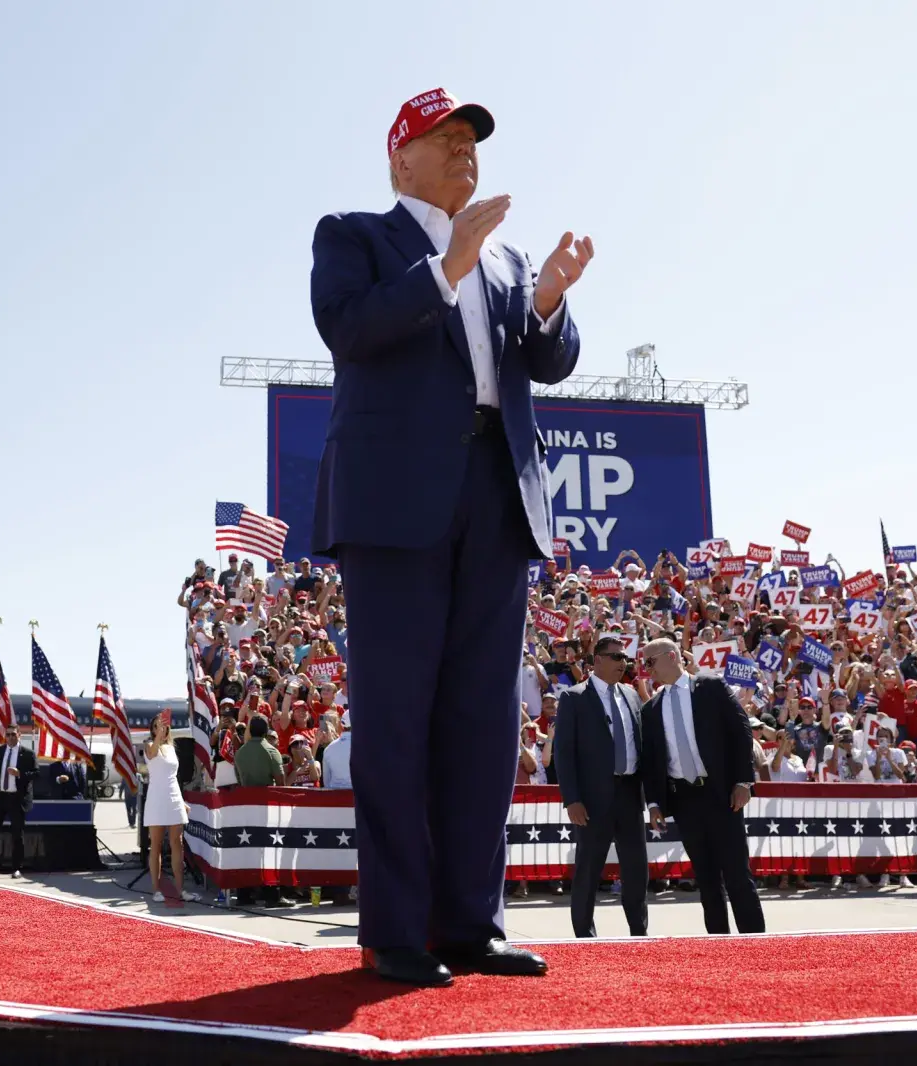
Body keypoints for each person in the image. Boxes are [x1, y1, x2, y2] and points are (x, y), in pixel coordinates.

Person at [309, 86, 590, 987]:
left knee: (482, 722)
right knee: (395, 720)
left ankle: (472, 923)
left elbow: (543, 361)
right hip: (395, 503)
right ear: (402, 161)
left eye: (473, 138)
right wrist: (443, 269)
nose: (467, 148)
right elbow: (347, 329)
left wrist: (546, 298)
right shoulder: (354, 235)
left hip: (497, 495)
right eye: (447, 137)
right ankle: (395, 930)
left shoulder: (506, 261)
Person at [637, 638, 765, 935]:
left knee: (736, 873)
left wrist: (744, 781)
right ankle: (718, 943)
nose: (647, 670)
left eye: (650, 662)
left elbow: (741, 733)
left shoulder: (710, 687)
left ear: (671, 657)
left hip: (722, 794)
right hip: (684, 799)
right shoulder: (652, 708)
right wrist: (654, 802)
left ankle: (757, 944)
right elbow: (653, 760)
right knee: (706, 879)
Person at [554, 638, 648, 938]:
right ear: (596, 660)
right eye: (616, 656)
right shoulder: (574, 697)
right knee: (589, 868)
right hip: (592, 800)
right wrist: (572, 799)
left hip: (630, 794)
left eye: (626, 657)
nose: (623, 662)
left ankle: (639, 930)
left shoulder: (632, 695)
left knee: (636, 868)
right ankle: (584, 933)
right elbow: (564, 753)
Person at [142, 713, 199, 903]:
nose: (162, 729)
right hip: (156, 798)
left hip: (173, 797)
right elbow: (151, 755)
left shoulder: (172, 748)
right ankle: (156, 889)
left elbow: (172, 777)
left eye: (164, 726)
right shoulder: (149, 745)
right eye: (158, 726)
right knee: (156, 845)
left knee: (178, 843)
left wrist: (182, 801)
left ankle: (180, 889)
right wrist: (157, 737)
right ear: (153, 729)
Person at [0, 722, 38, 878]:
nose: (10, 737)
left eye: (13, 734)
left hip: (16, 799)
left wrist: (20, 774)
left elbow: (36, 774)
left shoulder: (28, 754)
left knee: (17, 835)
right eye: (8, 734)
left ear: (19, 735)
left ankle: (16, 868)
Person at [235, 714, 284, 786]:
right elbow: (281, 785)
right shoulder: (272, 752)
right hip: (268, 797)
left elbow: (239, 781)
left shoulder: (239, 753)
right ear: (266, 730)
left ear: (250, 730)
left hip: (246, 796)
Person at [322, 710, 353, 788]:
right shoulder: (367, 747)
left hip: (335, 797)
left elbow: (326, 782)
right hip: (359, 797)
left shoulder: (328, 749)